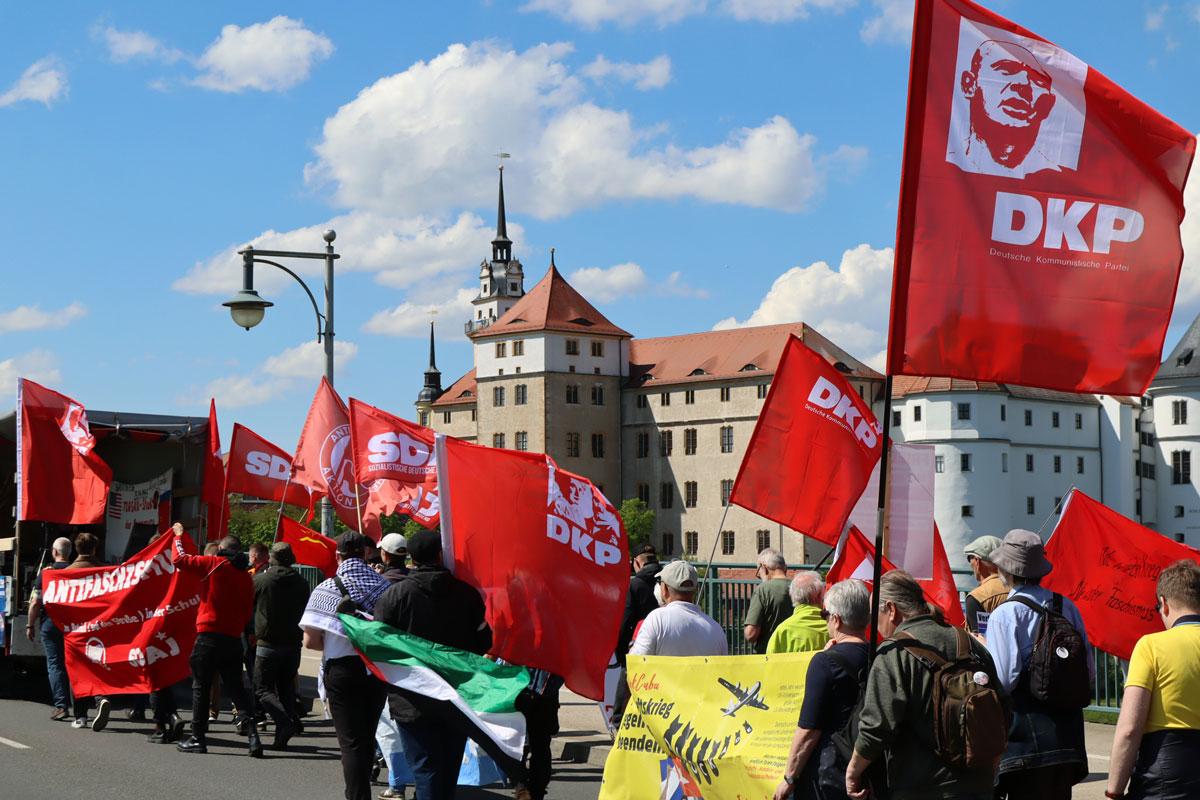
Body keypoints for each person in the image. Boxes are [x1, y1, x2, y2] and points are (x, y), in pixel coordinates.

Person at [847, 570, 1003, 800]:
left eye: (874, 616)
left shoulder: (893, 653)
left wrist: (853, 771)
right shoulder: (967, 642)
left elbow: (876, 727)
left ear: (891, 609)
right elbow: (1003, 704)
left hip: (922, 786)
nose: (875, 626)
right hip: (979, 782)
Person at [373, 529, 494, 800]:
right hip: (457, 696)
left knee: (426, 769)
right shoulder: (467, 594)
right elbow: (484, 643)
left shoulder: (395, 596)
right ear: (442, 555)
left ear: (411, 558)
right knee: (448, 769)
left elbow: (379, 645)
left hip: (412, 698)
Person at [985, 529, 1093, 800]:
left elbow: (1006, 680)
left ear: (1006, 569)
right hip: (1067, 736)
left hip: (1025, 740)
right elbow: (1088, 671)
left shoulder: (1005, 615)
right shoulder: (1067, 607)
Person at [300, 532, 390, 800]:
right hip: (375, 670)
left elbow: (310, 642)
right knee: (367, 735)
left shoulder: (326, 589)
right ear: (364, 554)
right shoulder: (384, 587)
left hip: (341, 671)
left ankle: (357, 796)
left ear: (337, 556)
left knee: (350, 743)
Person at [1106, 559, 1200, 800]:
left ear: (1164, 604)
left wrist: (1114, 791)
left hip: (1166, 777)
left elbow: (1129, 728)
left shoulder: (1151, 646)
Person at [169, 524, 261, 757]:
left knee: (201, 686)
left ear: (220, 548)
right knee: (237, 690)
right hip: (232, 638)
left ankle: (198, 738)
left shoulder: (213, 564)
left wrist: (178, 536)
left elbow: (179, 560)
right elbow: (247, 610)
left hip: (209, 635)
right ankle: (253, 737)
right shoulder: (245, 577)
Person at [774, 579, 871, 800]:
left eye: (824, 615)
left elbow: (809, 730)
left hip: (829, 774)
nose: (825, 620)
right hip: (866, 770)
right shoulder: (880, 656)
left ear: (836, 620)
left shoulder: (824, 663)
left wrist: (789, 777)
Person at [948, 39, 1062, 178]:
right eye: (1008, 70)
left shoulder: (1063, 183)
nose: (1023, 84)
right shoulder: (940, 170)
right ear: (969, 84)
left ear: (1048, 104)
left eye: (1037, 79)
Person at [252, 542, 310, 750]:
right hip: (293, 644)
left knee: (262, 689)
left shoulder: (261, 580)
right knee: (286, 690)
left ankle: (285, 722)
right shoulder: (302, 583)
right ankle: (281, 735)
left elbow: (249, 606)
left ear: (271, 559)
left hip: (268, 643)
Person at [629, 560, 728, 657]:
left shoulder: (656, 619)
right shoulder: (716, 629)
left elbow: (637, 662)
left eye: (660, 582)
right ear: (695, 589)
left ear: (665, 589)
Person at [66, 532, 112, 731]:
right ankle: (101, 697)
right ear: (94, 549)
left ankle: (81, 716)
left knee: (77, 671)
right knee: (97, 666)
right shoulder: (105, 571)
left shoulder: (66, 572)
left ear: (76, 549)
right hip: (99, 627)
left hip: (75, 629)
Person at [26, 536, 73, 721]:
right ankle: (82, 707)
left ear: (54, 552)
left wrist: (30, 624)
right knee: (74, 664)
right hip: (72, 624)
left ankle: (61, 706)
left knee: (55, 664)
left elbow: (36, 602)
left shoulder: (47, 573)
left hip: (50, 624)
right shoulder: (74, 572)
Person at [513, 669, 565, 800]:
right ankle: (529, 791)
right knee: (538, 747)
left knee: (521, 745)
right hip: (543, 691)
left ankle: (524, 789)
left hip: (528, 689)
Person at [745, 549, 794, 654]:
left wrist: (764, 584)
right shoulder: (799, 587)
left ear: (763, 568)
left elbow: (751, 634)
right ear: (785, 568)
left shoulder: (763, 590)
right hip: (795, 655)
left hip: (768, 656)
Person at [766, 571, 829, 654]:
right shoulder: (834, 628)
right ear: (817, 596)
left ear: (792, 596)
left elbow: (769, 663)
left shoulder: (782, 631)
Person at [962, 536, 1006, 635]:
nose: (970, 563)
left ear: (977, 561)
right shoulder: (1017, 587)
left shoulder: (976, 597)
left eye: (969, 558)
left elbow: (980, 639)